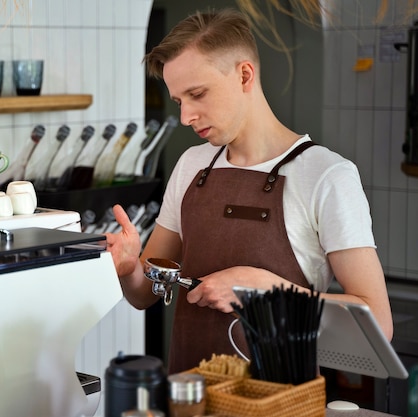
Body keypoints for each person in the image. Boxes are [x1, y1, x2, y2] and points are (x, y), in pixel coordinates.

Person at [105, 8, 393, 374]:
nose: (185, 117)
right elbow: (144, 294)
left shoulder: (327, 175)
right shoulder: (192, 165)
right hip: (189, 398)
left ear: (244, 75)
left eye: (197, 94)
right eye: (180, 101)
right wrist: (130, 270)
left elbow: (378, 325)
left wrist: (266, 289)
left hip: (279, 404)